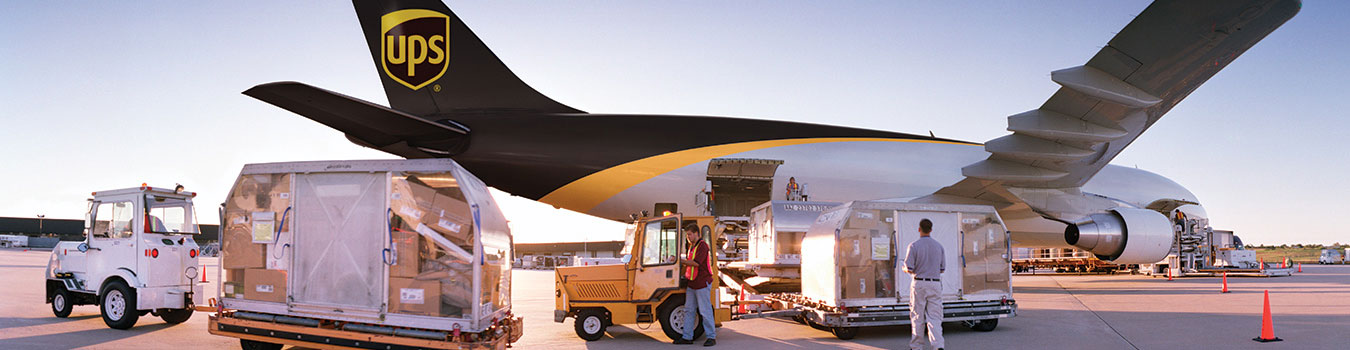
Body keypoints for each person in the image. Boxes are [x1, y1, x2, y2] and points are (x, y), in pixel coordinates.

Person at [904, 218, 945, 350]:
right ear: (931, 230)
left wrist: (904, 268)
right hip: (935, 283)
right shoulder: (939, 246)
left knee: (917, 316)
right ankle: (938, 345)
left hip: (919, 283)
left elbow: (909, 268)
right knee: (935, 317)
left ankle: (916, 346)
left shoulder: (914, 246)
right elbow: (942, 269)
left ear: (919, 229)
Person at [675, 224, 716, 346]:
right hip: (692, 283)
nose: (688, 237)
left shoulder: (702, 246)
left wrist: (680, 261)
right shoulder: (692, 246)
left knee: (705, 311)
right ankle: (687, 337)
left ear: (697, 233)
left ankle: (711, 337)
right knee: (689, 311)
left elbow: (696, 263)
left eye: (689, 234)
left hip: (702, 283)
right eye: (687, 235)